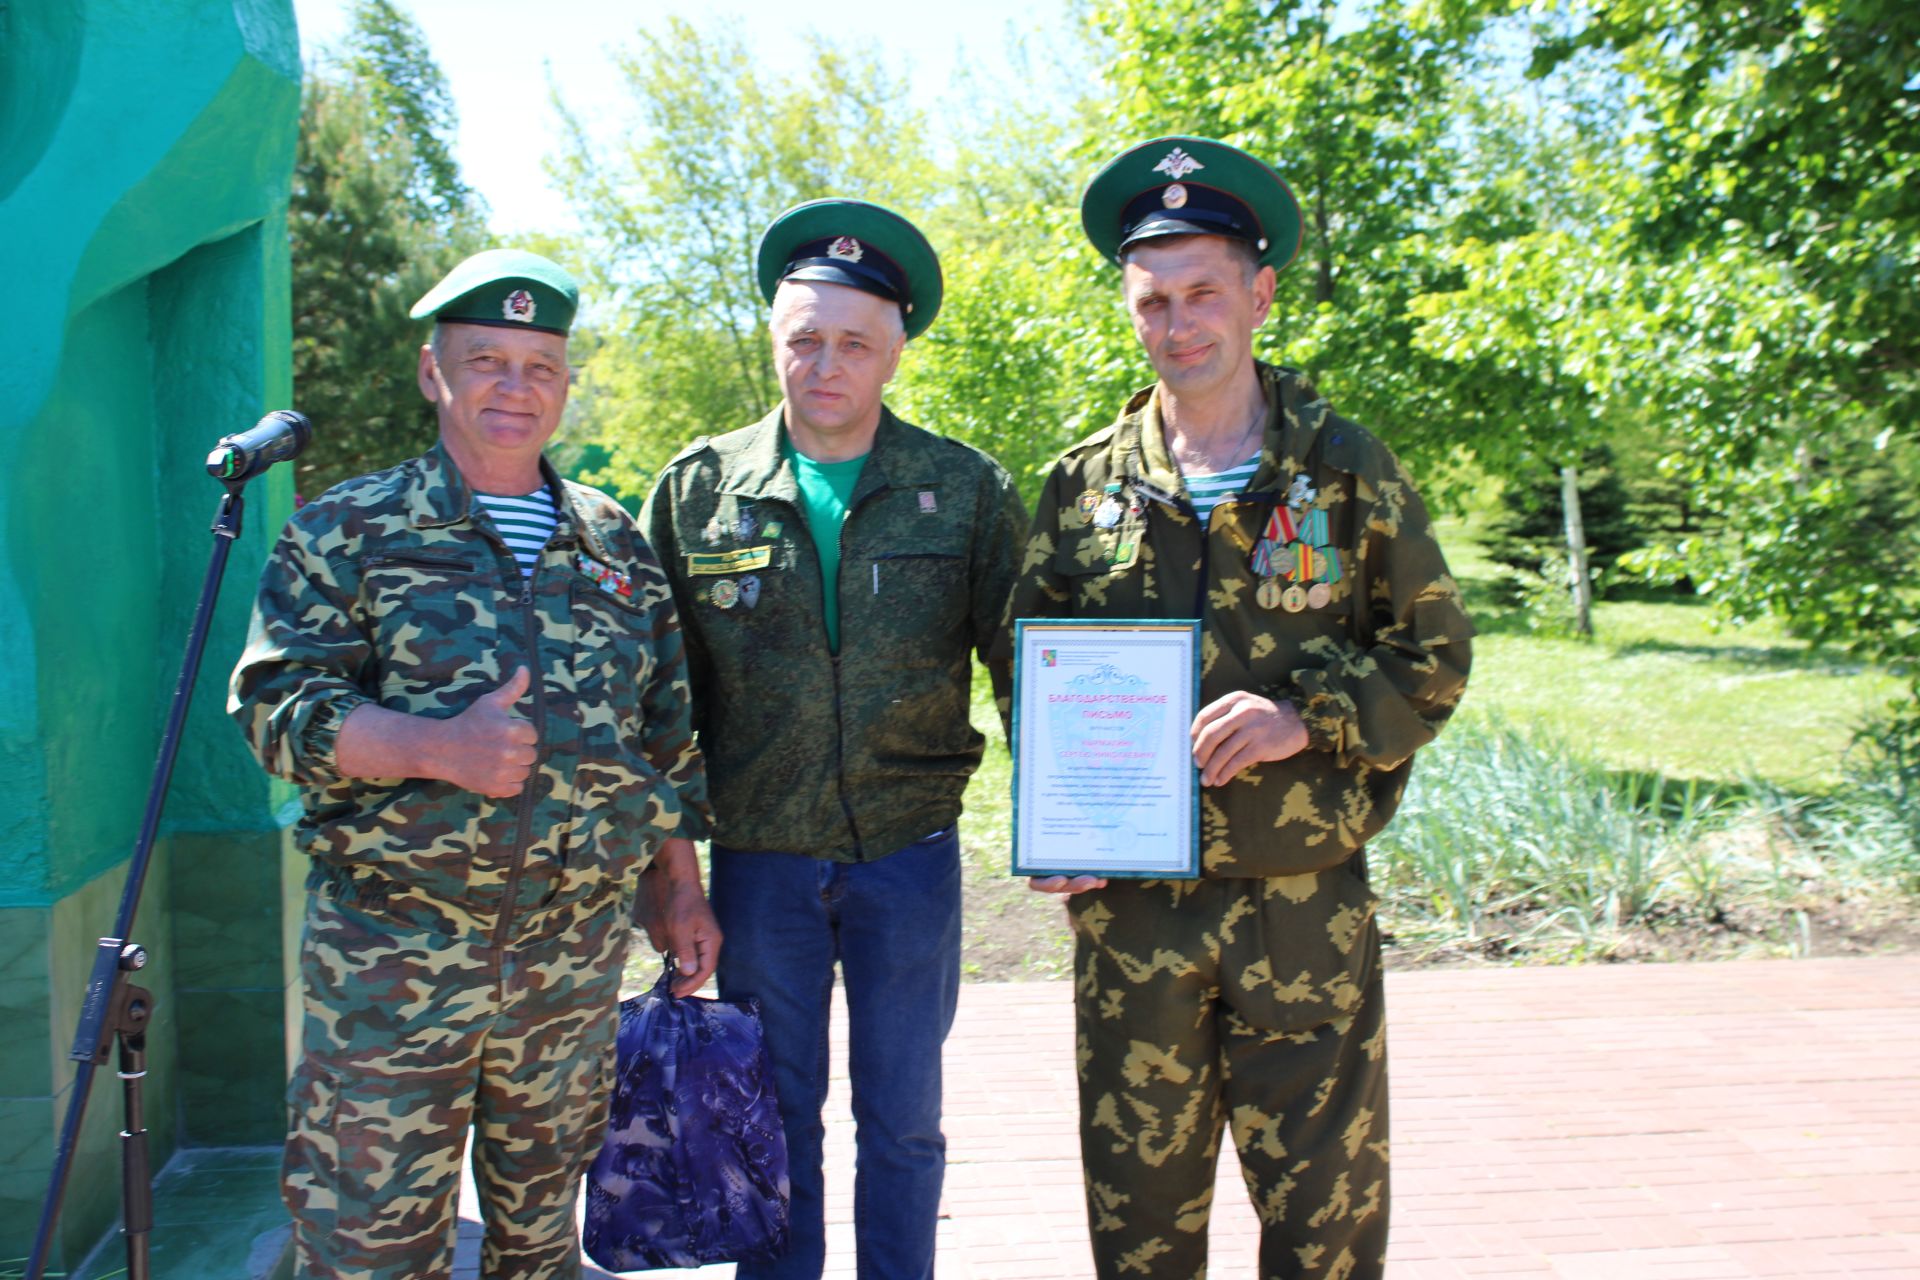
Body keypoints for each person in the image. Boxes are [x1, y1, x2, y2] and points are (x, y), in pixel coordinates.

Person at [1005, 137, 1474, 1278]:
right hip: (1134, 915)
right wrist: (1057, 822)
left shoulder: (1347, 470)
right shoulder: (1084, 483)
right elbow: (1034, 665)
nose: (1179, 322)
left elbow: (1436, 654)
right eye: (1152, 298)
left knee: (1326, 1226)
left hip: (1300, 905)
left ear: (1259, 295)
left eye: (1204, 291)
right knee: (1140, 1225)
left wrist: (1305, 715)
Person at [229, 249, 719, 1280]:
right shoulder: (349, 530)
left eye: (540, 365)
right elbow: (274, 707)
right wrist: (433, 746)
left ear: (566, 383)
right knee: (369, 1244)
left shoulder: (613, 543)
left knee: (541, 1246)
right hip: (391, 964)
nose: (515, 386)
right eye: (485, 359)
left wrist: (679, 889)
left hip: (568, 969)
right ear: (430, 372)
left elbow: (664, 737)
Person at [640, 200, 1026, 1280]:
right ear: (773, 336)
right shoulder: (699, 490)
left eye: (854, 341)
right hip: (760, 862)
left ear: (897, 348)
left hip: (909, 856)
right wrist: (673, 873)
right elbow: (658, 704)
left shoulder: (965, 491)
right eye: (804, 337)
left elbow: (1027, 667)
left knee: (904, 1122)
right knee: (776, 1119)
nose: (826, 363)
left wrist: (1074, 815)